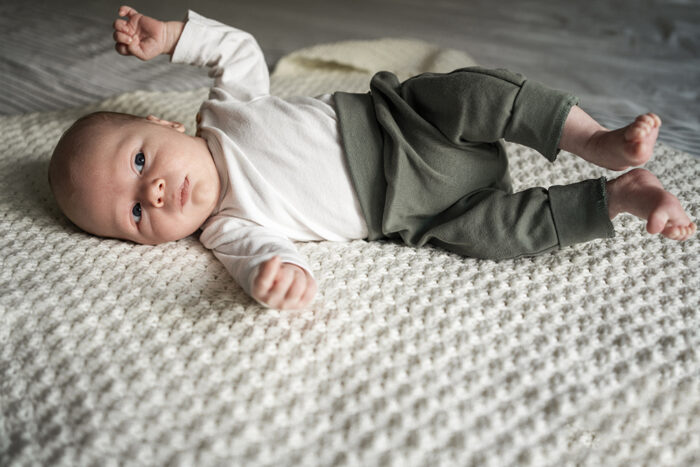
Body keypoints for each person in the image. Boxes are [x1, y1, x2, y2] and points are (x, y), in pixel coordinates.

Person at [48, 6, 696, 310]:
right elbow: (265, 256)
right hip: (424, 210)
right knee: (499, 236)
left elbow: (236, 51)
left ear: (164, 124)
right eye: (135, 214)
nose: (155, 193)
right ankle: (619, 196)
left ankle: (594, 140)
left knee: (477, 91)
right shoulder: (226, 227)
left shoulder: (224, 112)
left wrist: (173, 38)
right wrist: (277, 276)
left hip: (404, 123)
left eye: (140, 164)